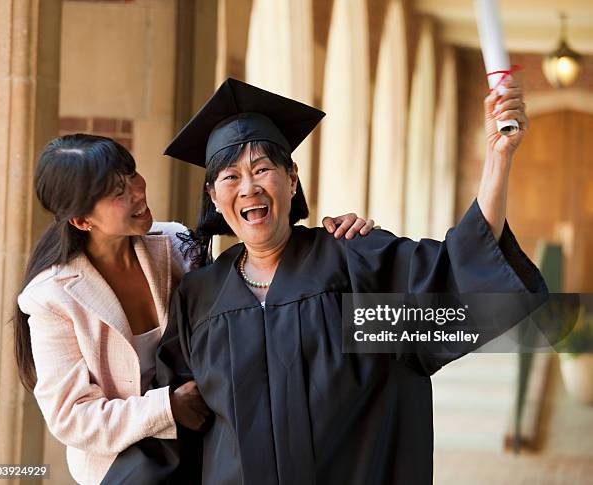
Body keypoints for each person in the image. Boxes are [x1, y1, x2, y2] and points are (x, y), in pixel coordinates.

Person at [140, 77, 547, 485]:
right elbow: (177, 425)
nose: (249, 187)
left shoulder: (354, 266)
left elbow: (457, 273)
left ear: (292, 178)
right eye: (230, 177)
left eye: (262, 168)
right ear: (214, 197)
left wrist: (498, 159)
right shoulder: (199, 298)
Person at [14, 134, 376, 485]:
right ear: (82, 220)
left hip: (204, 454)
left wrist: (345, 253)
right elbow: (72, 417)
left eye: (131, 175)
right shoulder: (52, 296)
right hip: (125, 469)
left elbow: (234, 314)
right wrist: (168, 406)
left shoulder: (177, 245)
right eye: (118, 192)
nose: (138, 191)